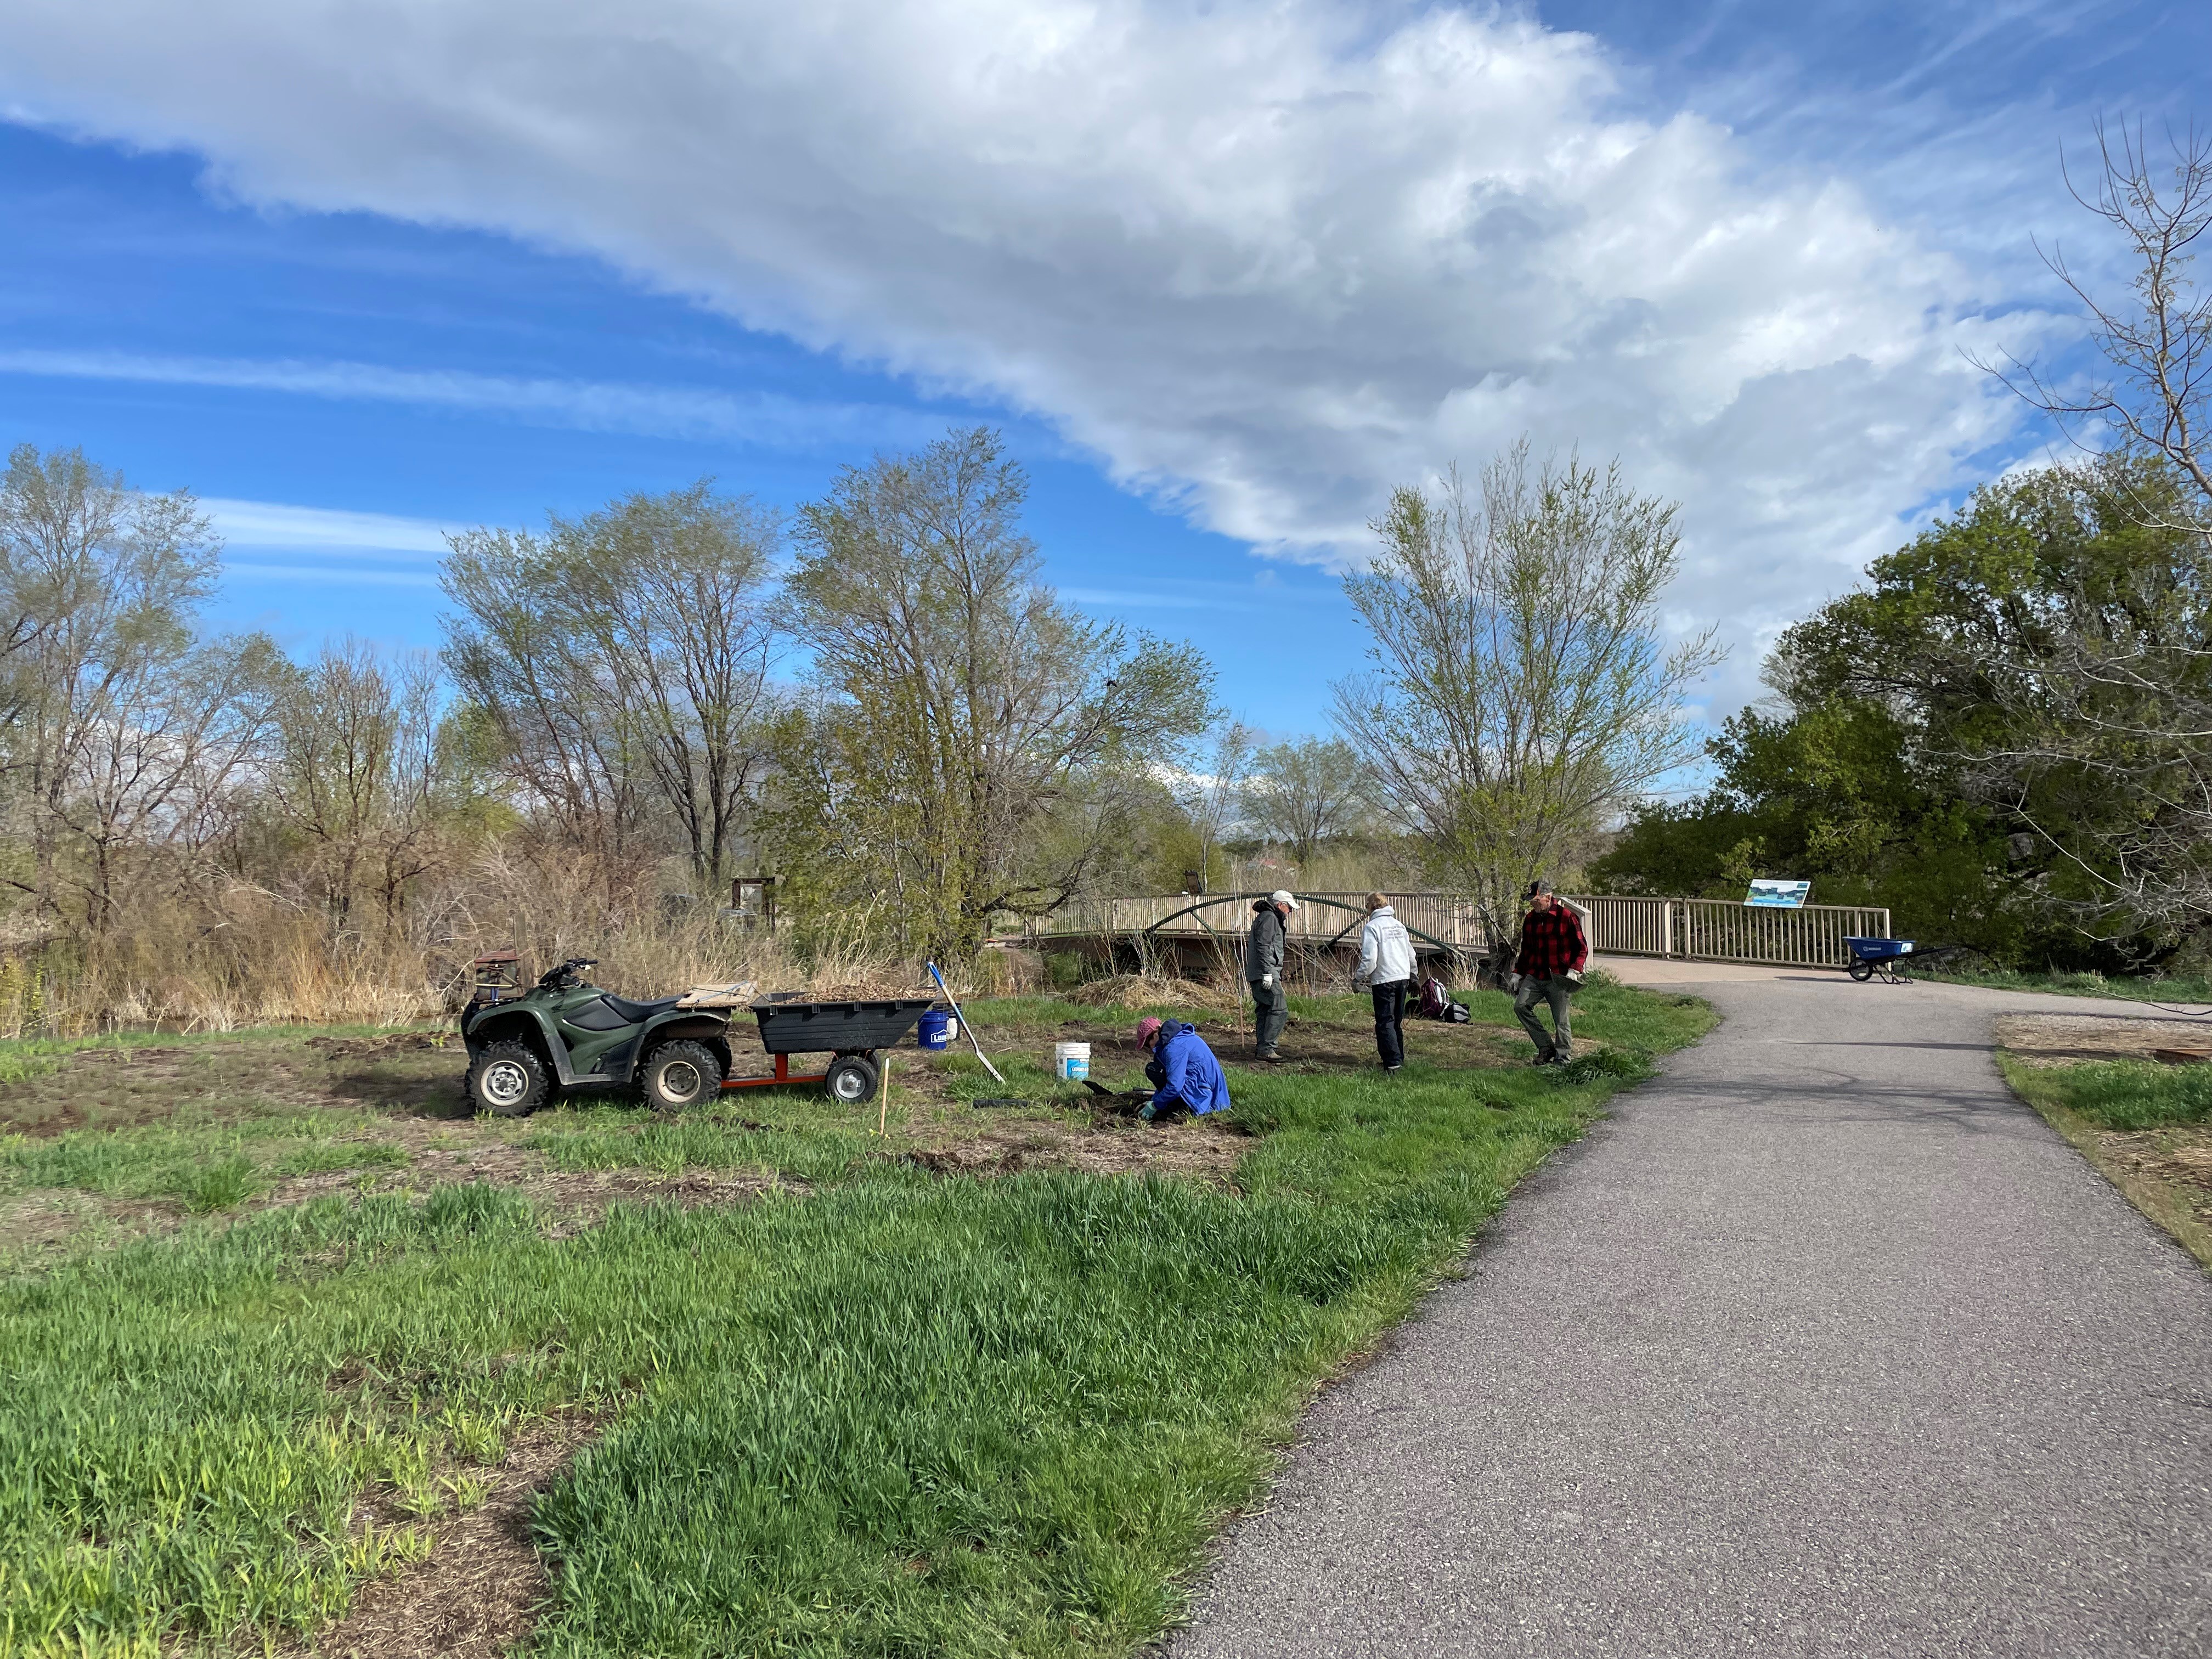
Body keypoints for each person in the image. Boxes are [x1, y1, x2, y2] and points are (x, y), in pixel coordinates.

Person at [1514, 878, 1588, 1064]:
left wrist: (1574, 970)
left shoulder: (1566, 917)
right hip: (1535, 974)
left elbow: (1582, 948)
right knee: (1521, 1007)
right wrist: (1518, 973)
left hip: (1559, 976)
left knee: (1561, 1021)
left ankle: (1563, 1059)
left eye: (1535, 900)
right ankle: (1546, 1048)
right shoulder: (1530, 919)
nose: (1532, 903)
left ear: (1548, 897)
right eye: (1531, 900)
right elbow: (1527, 950)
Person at [1355, 890, 1416, 1071]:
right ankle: (1399, 1058)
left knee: (1385, 1022)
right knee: (1396, 1022)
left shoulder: (1372, 927)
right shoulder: (1399, 926)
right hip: (1403, 978)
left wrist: (1358, 978)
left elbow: (1370, 960)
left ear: (1372, 907)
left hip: (1384, 980)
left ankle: (1392, 1063)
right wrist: (1414, 977)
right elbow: (1411, 955)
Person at [1133, 1015, 1232, 1120]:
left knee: (1154, 1070)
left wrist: (1155, 1105)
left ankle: (1184, 1108)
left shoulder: (1175, 1048)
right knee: (1154, 1068)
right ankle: (1174, 1103)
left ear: (1156, 1034)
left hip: (1206, 1099)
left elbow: (1175, 1086)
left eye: (1147, 1044)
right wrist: (1155, 1100)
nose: (1149, 1047)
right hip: (1212, 1091)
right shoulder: (1179, 1037)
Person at [1244, 889, 1297, 1061]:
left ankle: (1263, 1048)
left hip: (1260, 971)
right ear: (1280, 905)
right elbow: (1263, 946)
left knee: (1265, 1010)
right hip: (1265, 971)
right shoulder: (1270, 918)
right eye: (1289, 908)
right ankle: (1267, 1048)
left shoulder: (1266, 917)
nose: (1290, 912)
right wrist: (1267, 972)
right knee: (1279, 1008)